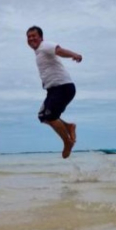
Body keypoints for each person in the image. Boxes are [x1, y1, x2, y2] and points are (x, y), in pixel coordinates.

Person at [26, 26, 82, 158]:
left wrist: (74, 55)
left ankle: (67, 142)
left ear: (41, 37)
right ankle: (69, 127)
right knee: (42, 116)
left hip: (63, 87)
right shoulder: (38, 52)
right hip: (53, 90)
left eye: (34, 36)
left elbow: (59, 51)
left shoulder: (45, 46)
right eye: (29, 37)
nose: (31, 39)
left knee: (51, 117)